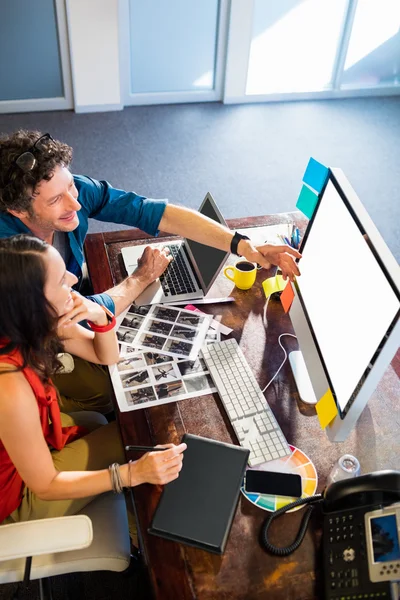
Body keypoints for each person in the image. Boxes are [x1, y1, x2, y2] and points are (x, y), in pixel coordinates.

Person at [0, 130, 301, 413]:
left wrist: (241, 244)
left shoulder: (69, 191)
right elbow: (76, 312)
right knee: (110, 391)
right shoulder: (10, 258)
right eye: (56, 200)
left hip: (66, 311)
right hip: (28, 341)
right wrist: (140, 278)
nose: (76, 203)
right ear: (18, 211)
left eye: (71, 187)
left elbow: (152, 211)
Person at [0, 235, 186, 527]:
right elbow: (46, 485)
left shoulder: (30, 321)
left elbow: (107, 356)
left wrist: (100, 316)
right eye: (61, 280)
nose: (74, 279)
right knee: (145, 437)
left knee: (128, 429)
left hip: (32, 447)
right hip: (20, 495)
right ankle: (148, 532)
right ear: (33, 304)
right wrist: (132, 474)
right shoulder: (8, 388)